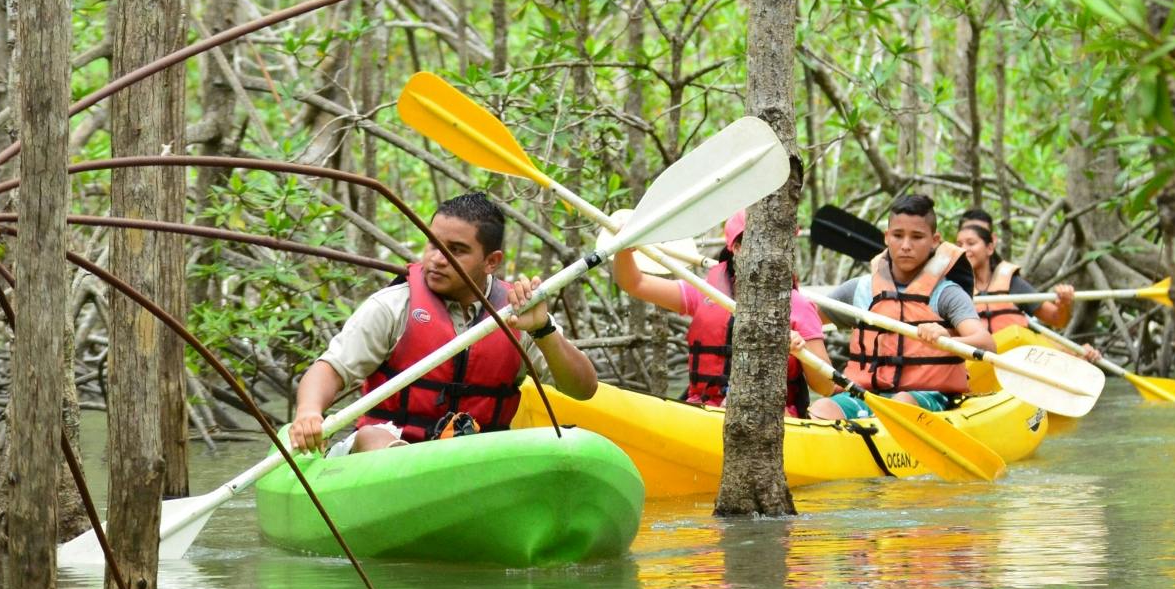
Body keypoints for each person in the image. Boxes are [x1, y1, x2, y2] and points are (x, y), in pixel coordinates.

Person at [289, 192, 599, 454]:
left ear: (491, 261)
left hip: (475, 458)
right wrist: (308, 413)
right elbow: (329, 370)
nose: (437, 259)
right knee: (373, 436)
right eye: (433, 244)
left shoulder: (517, 313)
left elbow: (583, 388)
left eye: (457, 250)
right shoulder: (394, 306)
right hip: (384, 453)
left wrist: (543, 330)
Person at [611, 207, 835, 414]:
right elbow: (635, 284)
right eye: (760, 243)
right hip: (704, 409)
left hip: (771, 417)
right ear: (736, 249)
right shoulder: (707, 293)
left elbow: (825, 386)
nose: (772, 252)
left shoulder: (799, 306)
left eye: (780, 244)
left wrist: (798, 351)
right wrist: (624, 249)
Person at [806, 193, 1001, 422]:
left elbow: (987, 344)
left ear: (935, 240)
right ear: (887, 237)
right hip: (867, 395)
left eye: (917, 237)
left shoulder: (947, 294)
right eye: (898, 236)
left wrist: (946, 336)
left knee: (902, 402)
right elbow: (809, 319)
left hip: (927, 397)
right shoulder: (859, 289)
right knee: (822, 407)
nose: (906, 245)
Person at [955, 220, 1076, 331]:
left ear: (990, 248)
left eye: (971, 243)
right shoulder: (954, 287)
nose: (963, 249)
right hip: (975, 354)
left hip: (1012, 352)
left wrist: (1064, 304)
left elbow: (1057, 320)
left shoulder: (1011, 283)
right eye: (959, 245)